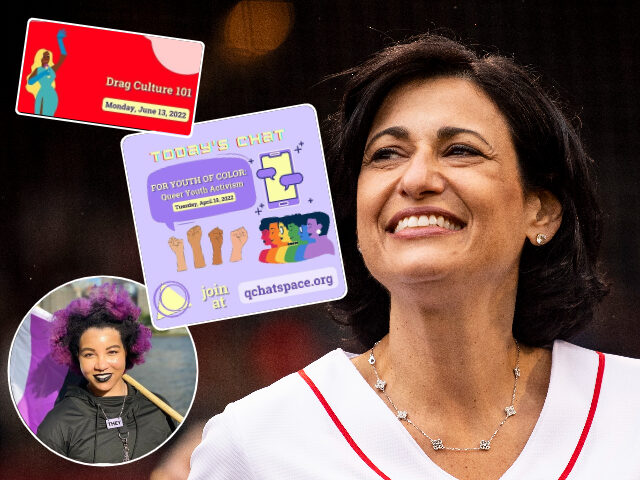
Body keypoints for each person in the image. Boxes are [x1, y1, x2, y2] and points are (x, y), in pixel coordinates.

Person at [188, 34, 640, 479]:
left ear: (540, 212)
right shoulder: (255, 442)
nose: (417, 178)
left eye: (460, 150)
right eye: (386, 154)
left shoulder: (630, 406)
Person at [37, 283, 176, 464]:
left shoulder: (160, 409)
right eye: (89, 354)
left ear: (128, 351)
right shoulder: (57, 424)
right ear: (76, 356)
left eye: (112, 352)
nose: (101, 365)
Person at [26, 29, 67, 117]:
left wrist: (59, 40)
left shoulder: (53, 69)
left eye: (48, 56)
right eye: (44, 56)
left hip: (52, 95)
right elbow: (30, 82)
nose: (46, 58)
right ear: (40, 58)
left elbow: (63, 56)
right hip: (41, 94)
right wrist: (43, 74)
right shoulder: (38, 70)